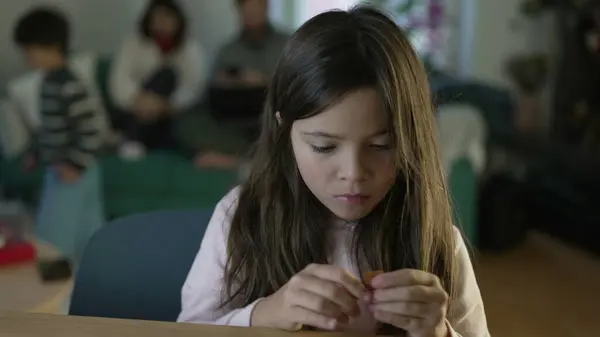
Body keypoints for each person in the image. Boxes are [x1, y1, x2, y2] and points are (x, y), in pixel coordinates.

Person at [178, 5, 489, 336]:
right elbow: (189, 328)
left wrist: (439, 331)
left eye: (382, 146)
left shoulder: (434, 236)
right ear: (284, 128)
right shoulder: (242, 217)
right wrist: (267, 313)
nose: (353, 173)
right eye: (324, 147)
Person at [13, 8, 104, 263]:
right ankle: (83, 288)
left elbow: (91, 130)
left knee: (52, 237)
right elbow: (51, 128)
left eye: (29, 50)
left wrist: (74, 164)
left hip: (71, 169)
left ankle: (54, 298)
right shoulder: (49, 82)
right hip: (70, 166)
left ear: (52, 47)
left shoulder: (70, 84)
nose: (26, 57)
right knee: (86, 234)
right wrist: (36, 153)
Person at [110, 0, 205, 158]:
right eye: (157, 18)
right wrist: (139, 100)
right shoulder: (132, 43)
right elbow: (119, 80)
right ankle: (135, 138)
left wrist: (164, 106)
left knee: (167, 74)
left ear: (178, 21)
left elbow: (193, 89)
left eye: (168, 18)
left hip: (167, 115)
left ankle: (133, 139)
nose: (162, 24)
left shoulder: (191, 49)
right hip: (133, 109)